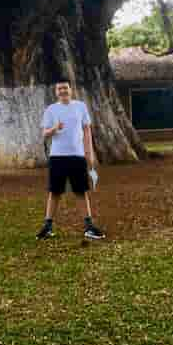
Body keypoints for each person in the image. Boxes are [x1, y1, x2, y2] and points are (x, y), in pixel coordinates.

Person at [36, 80, 105, 240]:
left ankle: (89, 227)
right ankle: (47, 227)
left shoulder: (80, 106)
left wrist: (90, 153)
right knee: (55, 192)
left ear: (70, 89)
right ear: (56, 92)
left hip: (77, 156)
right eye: (59, 88)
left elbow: (87, 130)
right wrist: (54, 129)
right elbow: (44, 134)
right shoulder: (51, 110)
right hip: (57, 157)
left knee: (81, 191)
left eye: (65, 88)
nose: (62, 91)